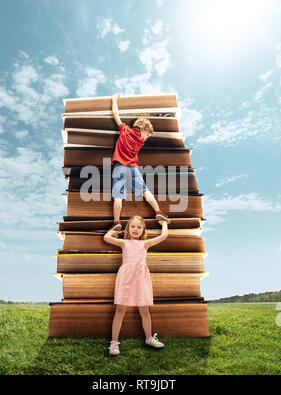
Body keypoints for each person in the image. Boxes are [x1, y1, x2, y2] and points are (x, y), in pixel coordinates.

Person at [104, 215, 168, 356]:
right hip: (125, 279)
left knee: (144, 310)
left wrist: (164, 223)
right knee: (120, 309)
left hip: (140, 279)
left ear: (143, 229)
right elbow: (106, 238)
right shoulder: (124, 243)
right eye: (133, 226)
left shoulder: (145, 243)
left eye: (139, 227)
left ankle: (149, 338)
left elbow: (164, 236)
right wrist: (114, 231)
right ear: (128, 228)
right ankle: (114, 342)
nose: (136, 229)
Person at [110, 93, 171, 231]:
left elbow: (115, 113)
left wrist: (114, 100)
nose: (146, 139)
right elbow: (140, 138)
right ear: (143, 129)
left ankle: (116, 221)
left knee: (118, 196)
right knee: (145, 191)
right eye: (147, 135)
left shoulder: (124, 130)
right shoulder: (140, 142)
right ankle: (158, 212)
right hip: (132, 168)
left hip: (119, 166)